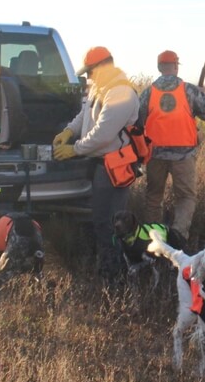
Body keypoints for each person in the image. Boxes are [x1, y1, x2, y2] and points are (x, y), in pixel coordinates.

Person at [52, 46, 141, 279]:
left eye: (90, 72)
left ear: (103, 66)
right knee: (101, 220)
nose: (89, 77)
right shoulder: (100, 88)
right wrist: (69, 131)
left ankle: (115, 275)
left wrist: (74, 149)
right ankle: (108, 267)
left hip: (113, 167)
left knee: (113, 223)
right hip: (99, 164)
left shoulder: (121, 92)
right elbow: (85, 114)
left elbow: (103, 134)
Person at [136, 50, 205, 242]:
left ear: (159, 67)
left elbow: (138, 121)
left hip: (155, 154)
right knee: (185, 197)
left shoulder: (148, 92)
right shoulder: (189, 90)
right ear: (176, 66)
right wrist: (202, 95)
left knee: (154, 197)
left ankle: (154, 240)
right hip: (184, 155)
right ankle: (177, 236)